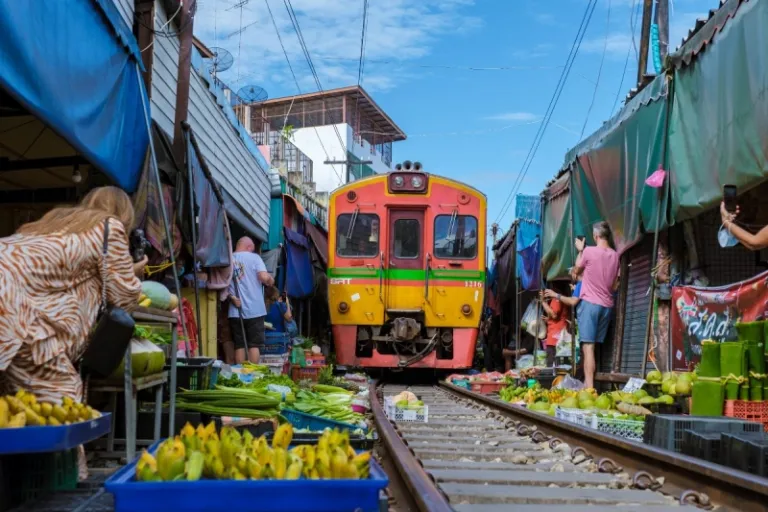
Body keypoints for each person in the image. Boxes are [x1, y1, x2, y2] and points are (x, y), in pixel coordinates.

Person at [0, 186, 146, 403]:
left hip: (9, 301)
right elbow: (124, 296)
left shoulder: (55, 220)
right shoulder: (109, 227)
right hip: (13, 310)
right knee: (63, 402)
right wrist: (134, 273)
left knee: (10, 403)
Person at [573, 222, 620, 389]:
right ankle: (592, 384)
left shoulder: (589, 251)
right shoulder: (615, 255)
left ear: (596, 236)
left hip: (590, 304)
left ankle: (590, 388)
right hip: (607, 306)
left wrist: (580, 250)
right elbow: (615, 285)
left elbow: (576, 272)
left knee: (588, 347)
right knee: (595, 348)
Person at [227, 237, 274, 363]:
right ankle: (253, 373)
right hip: (254, 310)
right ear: (249, 247)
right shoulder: (255, 258)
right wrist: (270, 280)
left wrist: (231, 297)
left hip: (235, 310)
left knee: (239, 345)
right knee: (254, 345)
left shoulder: (228, 259)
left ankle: (239, 372)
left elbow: (222, 283)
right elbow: (263, 276)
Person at [540, 283, 570, 367]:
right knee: (562, 366)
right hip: (560, 337)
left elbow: (554, 315)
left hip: (555, 339)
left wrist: (543, 302)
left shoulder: (557, 298)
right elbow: (559, 317)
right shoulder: (564, 297)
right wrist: (548, 319)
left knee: (552, 366)